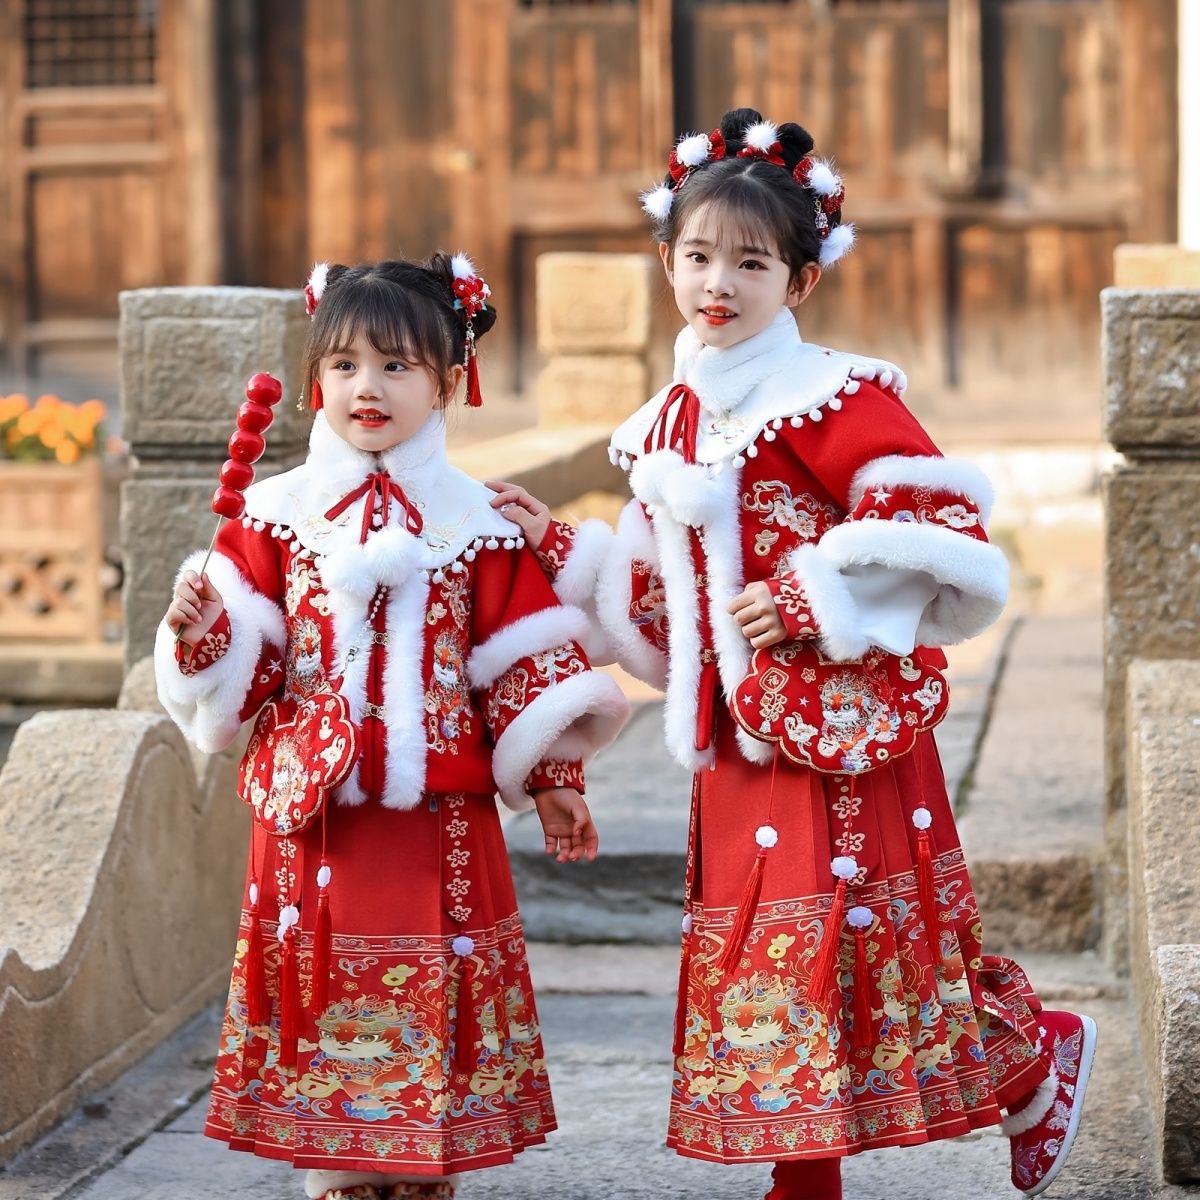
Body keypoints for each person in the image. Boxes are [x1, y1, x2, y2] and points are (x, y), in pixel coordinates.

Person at [488, 109, 1095, 1200]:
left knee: (862, 948)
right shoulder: (666, 424)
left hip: (839, 723)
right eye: (697, 256)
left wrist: (815, 593)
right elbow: (666, 610)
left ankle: (1020, 1062)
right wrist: (561, 548)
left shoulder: (836, 397)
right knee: (769, 956)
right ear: (667, 261)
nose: (719, 283)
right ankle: (826, 1168)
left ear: (802, 280)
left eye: (752, 263)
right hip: (738, 738)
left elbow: (946, 537)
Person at [156, 253, 628, 1200]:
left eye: (396, 366)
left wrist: (555, 778)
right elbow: (250, 658)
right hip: (316, 808)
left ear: (448, 381)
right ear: (314, 380)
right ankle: (336, 1170)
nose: (366, 387)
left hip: (440, 815)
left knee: (434, 975)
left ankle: (421, 1168)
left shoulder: (479, 520)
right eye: (344, 365)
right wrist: (203, 636)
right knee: (326, 979)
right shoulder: (274, 513)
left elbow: (521, 658)